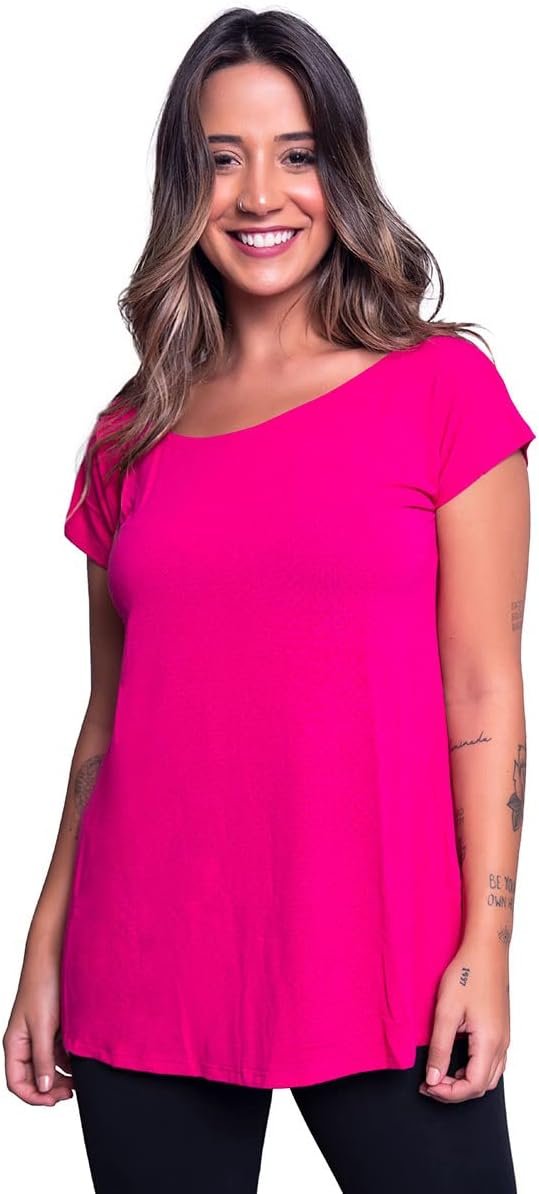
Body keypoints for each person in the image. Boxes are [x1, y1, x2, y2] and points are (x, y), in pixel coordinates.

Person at [3, 8, 535, 1192]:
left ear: (340, 172)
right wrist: (44, 942)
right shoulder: (129, 434)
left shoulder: (442, 391)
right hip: (144, 958)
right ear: (179, 186)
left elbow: (482, 690)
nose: (258, 195)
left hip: (386, 959)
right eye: (219, 158)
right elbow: (109, 723)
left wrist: (486, 947)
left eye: (296, 153)